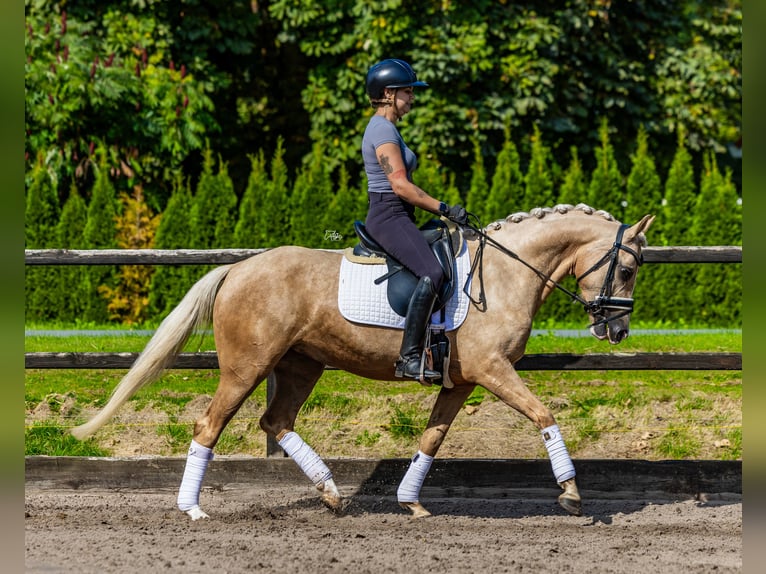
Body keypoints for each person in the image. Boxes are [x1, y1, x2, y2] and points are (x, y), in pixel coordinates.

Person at [362, 58, 468, 380]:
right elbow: (400, 185)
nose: (413, 99)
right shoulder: (382, 129)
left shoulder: (388, 128)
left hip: (397, 214)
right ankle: (408, 358)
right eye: (408, 92)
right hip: (388, 215)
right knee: (433, 272)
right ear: (389, 93)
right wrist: (444, 208)